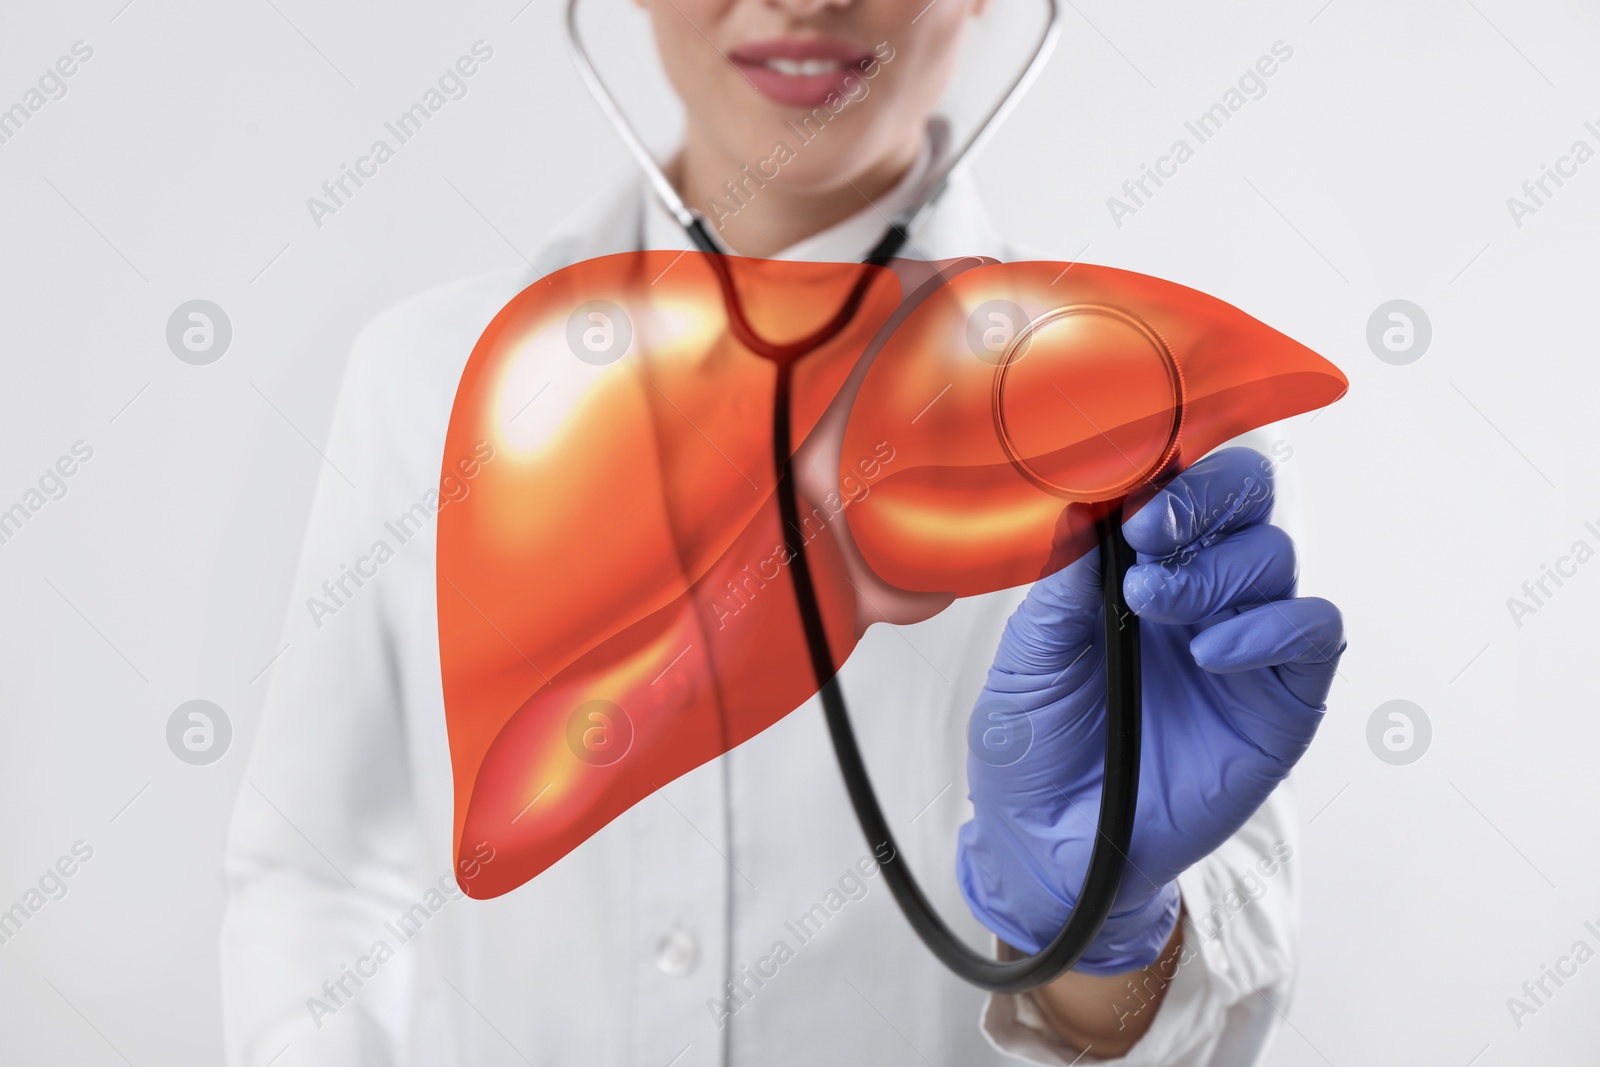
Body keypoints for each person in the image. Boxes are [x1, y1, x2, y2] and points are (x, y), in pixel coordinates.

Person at [220, 0, 1345, 1063]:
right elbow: (314, 875)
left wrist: (1101, 930)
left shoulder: (1150, 410)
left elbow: (1223, 985)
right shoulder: (424, 376)